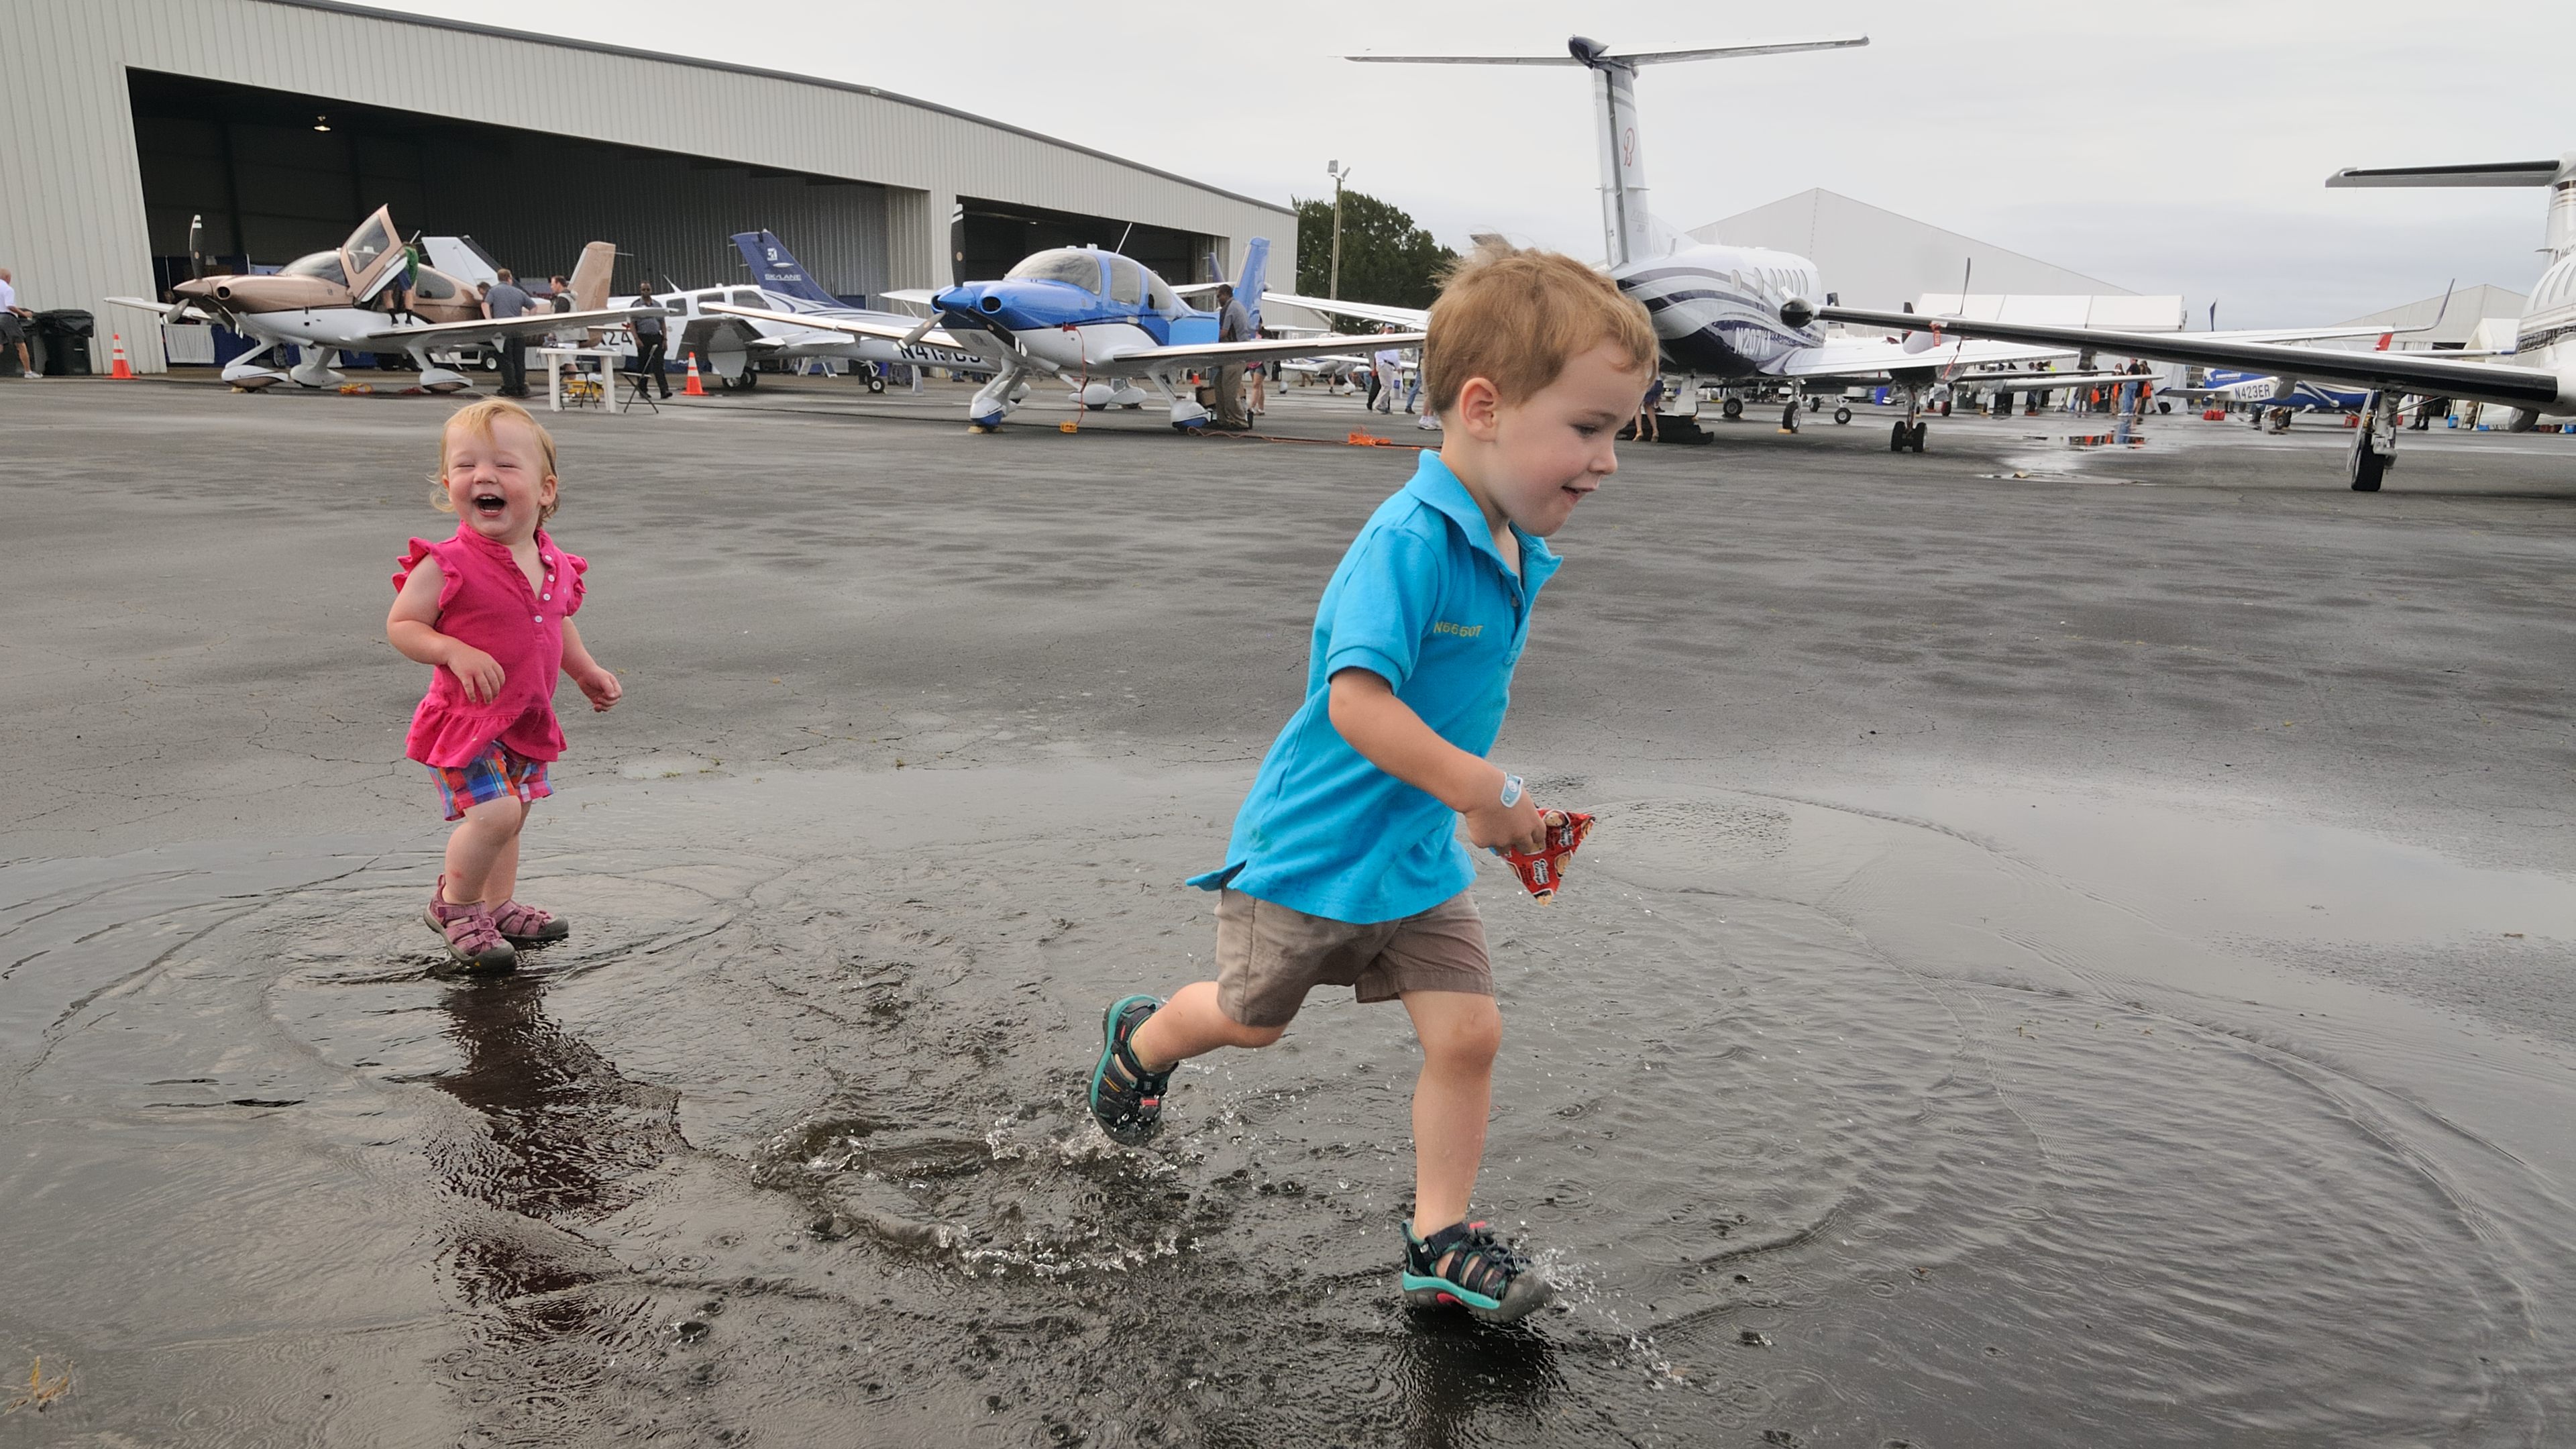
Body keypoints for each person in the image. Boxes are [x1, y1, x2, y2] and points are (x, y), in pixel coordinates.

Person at [1085, 244, 1656, 1324]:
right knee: (1250, 1024)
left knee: (1468, 1033)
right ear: (1485, 407)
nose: (1609, 461)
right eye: (1590, 428)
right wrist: (1490, 791)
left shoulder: (1509, 537)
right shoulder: (1407, 541)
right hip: (1315, 850)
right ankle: (1142, 1042)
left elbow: (1445, 712)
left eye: (1616, 431)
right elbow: (1358, 704)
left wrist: (1478, 818)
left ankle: (1439, 1239)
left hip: (1413, 857)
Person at [387, 399, 622, 972]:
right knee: (492, 816)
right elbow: (402, 625)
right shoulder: (446, 564)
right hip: (465, 722)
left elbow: (556, 621)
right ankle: (455, 907)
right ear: (449, 486)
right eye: (466, 467)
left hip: (523, 716)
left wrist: (584, 669)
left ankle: (497, 904)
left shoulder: (555, 562)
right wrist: (452, 649)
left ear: (545, 490)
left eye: (504, 466)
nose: (484, 477)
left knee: (513, 815)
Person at [481, 268, 533, 397]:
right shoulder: (519, 292)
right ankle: (521, 386)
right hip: (518, 328)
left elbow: (485, 304)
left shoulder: (493, 291)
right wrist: (529, 320)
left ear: (499, 278)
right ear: (509, 278)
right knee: (519, 360)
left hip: (503, 329)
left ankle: (510, 387)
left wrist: (489, 321)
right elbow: (533, 306)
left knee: (506, 359)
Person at [1213, 282, 1252, 430]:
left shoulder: (1229, 308)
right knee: (1218, 384)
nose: (1218, 300)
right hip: (1234, 354)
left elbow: (1224, 332)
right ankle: (1223, 420)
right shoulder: (1238, 306)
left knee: (1229, 391)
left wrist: (1207, 338)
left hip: (1235, 355)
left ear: (1226, 294)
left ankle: (1240, 422)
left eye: (1219, 296)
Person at [631, 285, 671, 398]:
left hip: (656, 337)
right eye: (644, 290)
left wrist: (665, 338)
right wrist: (636, 339)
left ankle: (664, 390)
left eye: (648, 289)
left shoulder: (657, 305)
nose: (646, 292)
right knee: (643, 365)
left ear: (651, 290)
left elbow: (662, 323)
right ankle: (642, 390)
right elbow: (632, 324)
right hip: (643, 337)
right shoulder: (636, 305)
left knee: (659, 364)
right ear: (640, 291)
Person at [0, 266, 36, 378]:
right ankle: (28, 372)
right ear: (7, 278)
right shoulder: (8, 289)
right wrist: (24, 314)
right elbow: (10, 306)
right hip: (7, 317)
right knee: (20, 344)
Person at [1373, 331, 1403, 413]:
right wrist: (1380, 364)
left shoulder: (1394, 340)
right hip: (1384, 364)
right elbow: (1378, 353)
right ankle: (1378, 404)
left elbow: (1396, 356)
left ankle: (1384, 406)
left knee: (1388, 386)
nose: (1390, 330)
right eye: (1389, 328)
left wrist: (1398, 366)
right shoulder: (1383, 339)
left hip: (1390, 365)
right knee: (1386, 386)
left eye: (1392, 329)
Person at [1637, 373, 1664, 441]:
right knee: (1648, 405)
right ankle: (1655, 431)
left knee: (1637, 406)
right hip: (1657, 382)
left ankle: (1639, 430)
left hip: (1644, 381)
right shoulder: (1655, 362)